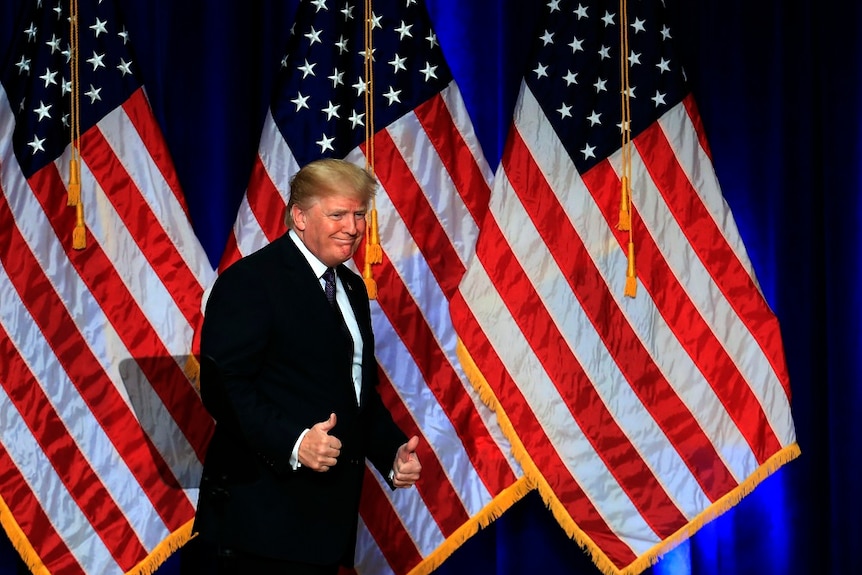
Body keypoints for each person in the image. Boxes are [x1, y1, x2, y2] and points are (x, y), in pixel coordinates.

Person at [189, 158, 422, 574]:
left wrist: (391, 452)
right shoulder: (252, 281)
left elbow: (354, 390)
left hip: (325, 526)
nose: (352, 228)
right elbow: (225, 388)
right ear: (299, 216)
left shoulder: (349, 285)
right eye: (337, 214)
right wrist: (295, 442)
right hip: (259, 526)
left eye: (358, 215)